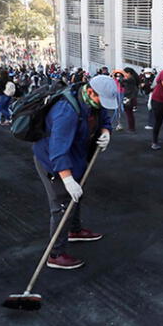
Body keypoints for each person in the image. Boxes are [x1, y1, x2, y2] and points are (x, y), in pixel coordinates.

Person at [33, 75, 117, 269]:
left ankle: (74, 230)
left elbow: (104, 117)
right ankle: (56, 254)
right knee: (62, 205)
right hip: (52, 161)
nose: (102, 104)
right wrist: (68, 180)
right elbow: (58, 151)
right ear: (89, 91)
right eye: (100, 100)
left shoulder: (95, 101)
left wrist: (106, 131)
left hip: (77, 156)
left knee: (78, 193)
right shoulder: (66, 111)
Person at [122, 67, 140, 133]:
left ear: (128, 73)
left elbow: (122, 81)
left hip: (129, 98)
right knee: (130, 113)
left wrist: (115, 75)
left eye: (124, 73)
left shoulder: (131, 79)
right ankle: (131, 127)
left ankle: (131, 128)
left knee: (129, 114)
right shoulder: (132, 79)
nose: (123, 74)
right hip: (130, 97)